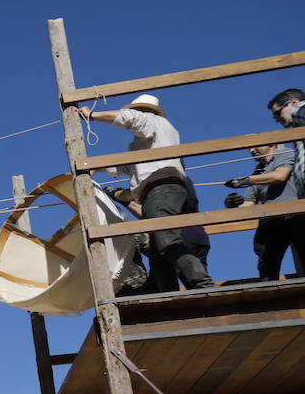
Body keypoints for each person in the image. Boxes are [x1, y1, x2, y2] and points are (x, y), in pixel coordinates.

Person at [81, 94, 214, 292]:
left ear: (143, 111)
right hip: (166, 190)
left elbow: (129, 118)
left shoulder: (151, 121)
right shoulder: (155, 136)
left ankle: (202, 284)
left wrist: (93, 115)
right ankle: (166, 293)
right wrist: (99, 168)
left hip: (160, 190)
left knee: (167, 240)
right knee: (159, 250)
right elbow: (130, 166)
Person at [223, 143, 304, 281]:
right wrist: (233, 203)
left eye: (255, 146)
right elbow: (249, 204)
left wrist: (247, 180)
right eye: (248, 148)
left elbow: (279, 176)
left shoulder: (284, 153)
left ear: (271, 144)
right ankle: (271, 291)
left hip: (296, 215)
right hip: (271, 219)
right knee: (266, 260)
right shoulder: (258, 171)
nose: (251, 150)